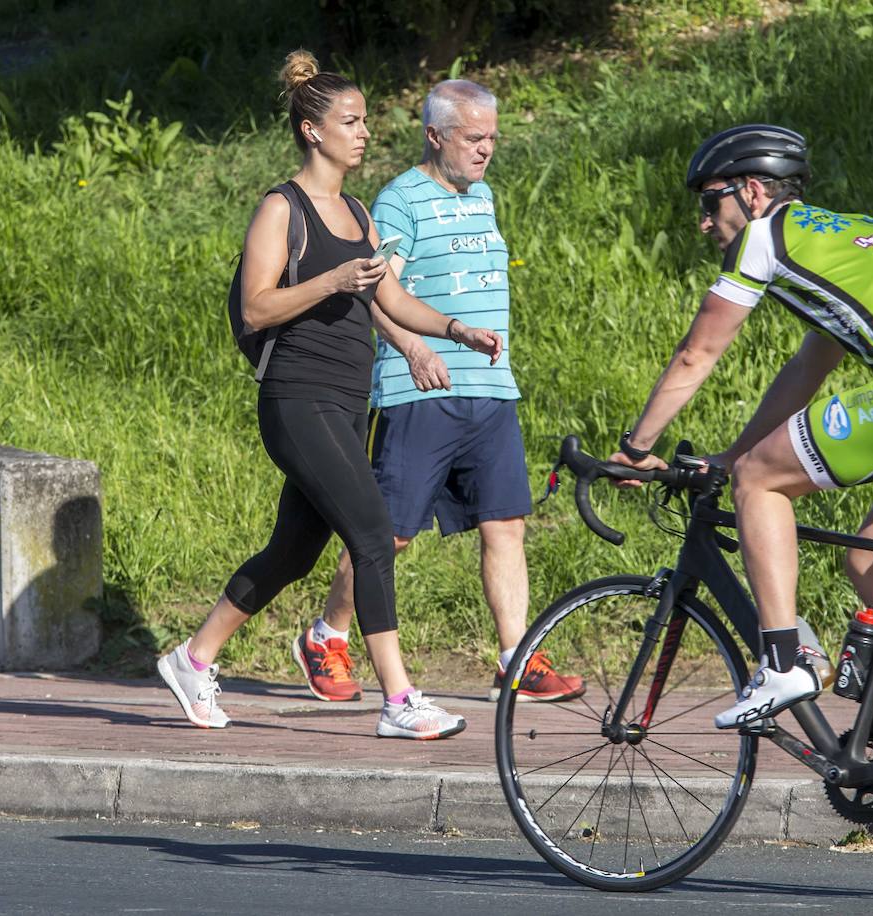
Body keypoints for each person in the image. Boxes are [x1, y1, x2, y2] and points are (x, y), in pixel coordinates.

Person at [609, 125, 873, 800]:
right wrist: (735, 451)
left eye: (711, 202)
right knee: (871, 565)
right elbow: (811, 364)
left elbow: (698, 353)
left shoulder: (762, 238)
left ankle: (783, 662)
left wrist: (635, 449)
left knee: (758, 484)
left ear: (750, 191)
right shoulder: (854, 233)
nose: (704, 221)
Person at [157, 51, 503, 739]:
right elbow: (256, 308)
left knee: (292, 553)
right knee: (374, 535)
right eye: (350, 121)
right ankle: (400, 700)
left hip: (347, 403)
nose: (364, 132)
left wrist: (453, 329)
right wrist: (330, 282)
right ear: (313, 131)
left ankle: (193, 659)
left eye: (366, 120)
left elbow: (391, 297)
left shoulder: (353, 211)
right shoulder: (280, 209)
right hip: (295, 399)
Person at [290, 79, 584, 706]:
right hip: (417, 392)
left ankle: (517, 659)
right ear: (435, 136)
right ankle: (327, 637)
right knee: (389, 533)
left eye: (493, 139)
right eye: (473, 139)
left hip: (489, 390)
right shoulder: (399, 200)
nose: (486, 152)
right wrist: (414, 348)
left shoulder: (486, 198)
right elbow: (374, 292)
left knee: (505, 524)